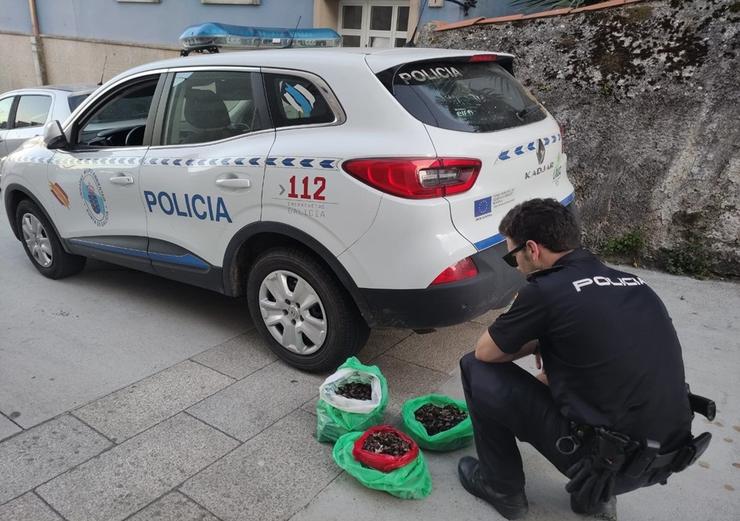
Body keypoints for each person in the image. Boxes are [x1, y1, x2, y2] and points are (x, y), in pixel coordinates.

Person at [457, 198, 695, 520]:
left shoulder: (546, 290)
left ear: (532, 249)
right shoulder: (636, 284)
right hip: (668, 453)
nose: (516, 266)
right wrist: (548, 340)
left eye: (512, 257)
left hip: (602, 461)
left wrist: (537, 340)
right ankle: (597, 495)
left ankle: (502, 487)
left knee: (474, 367)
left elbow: (487, 351)